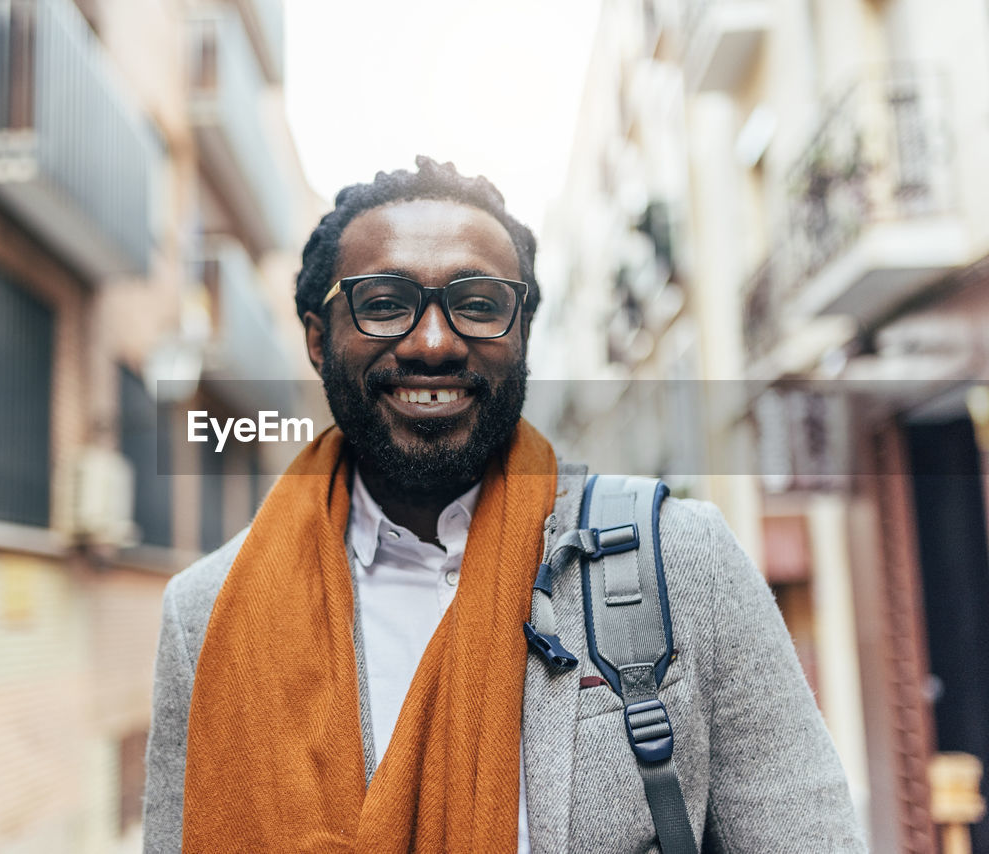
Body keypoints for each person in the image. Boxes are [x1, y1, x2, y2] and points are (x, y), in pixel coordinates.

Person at [142, 157, 866, 853]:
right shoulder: (205, 617)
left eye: (478, 305)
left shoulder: (682, 563)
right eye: (385, 304)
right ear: (316, 339)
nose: (432, 342)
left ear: (521, 336)